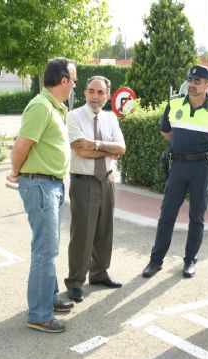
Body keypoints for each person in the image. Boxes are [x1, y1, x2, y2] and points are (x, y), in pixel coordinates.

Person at [142, 65, 208, 279]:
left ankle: (190, 260)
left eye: (197, 82)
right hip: (178, 167)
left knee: (197, 216)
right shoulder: (174, 103)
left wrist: (205, 151)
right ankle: (156, 261)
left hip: (202, 168)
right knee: (167, 215)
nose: (192, 85)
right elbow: (166, 131)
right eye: (190, 80)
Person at [6, 57, 77, 333]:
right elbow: (21, 147)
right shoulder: (40, 106)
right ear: (63, 81)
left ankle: (47, 297)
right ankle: (38, 313)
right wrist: (15, 172)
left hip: (51, 185)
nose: (74, 85)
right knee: (45, 251)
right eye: (73, 80)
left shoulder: (53, 107)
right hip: (40, 185)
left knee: (47, 247)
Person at [64, 76, 126, 303]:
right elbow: (81, 151)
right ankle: (75, 282)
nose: (95, 96)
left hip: (106, 181)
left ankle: (99, 274)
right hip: (83, 181)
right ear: (85, 93)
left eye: (100, 92)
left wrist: (97, 145)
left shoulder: (111, 119)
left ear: (107, 95)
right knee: (82, 234)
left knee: (104, 231)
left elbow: (121, 148)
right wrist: (108, 150)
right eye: (91, 91)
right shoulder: (73, 116)